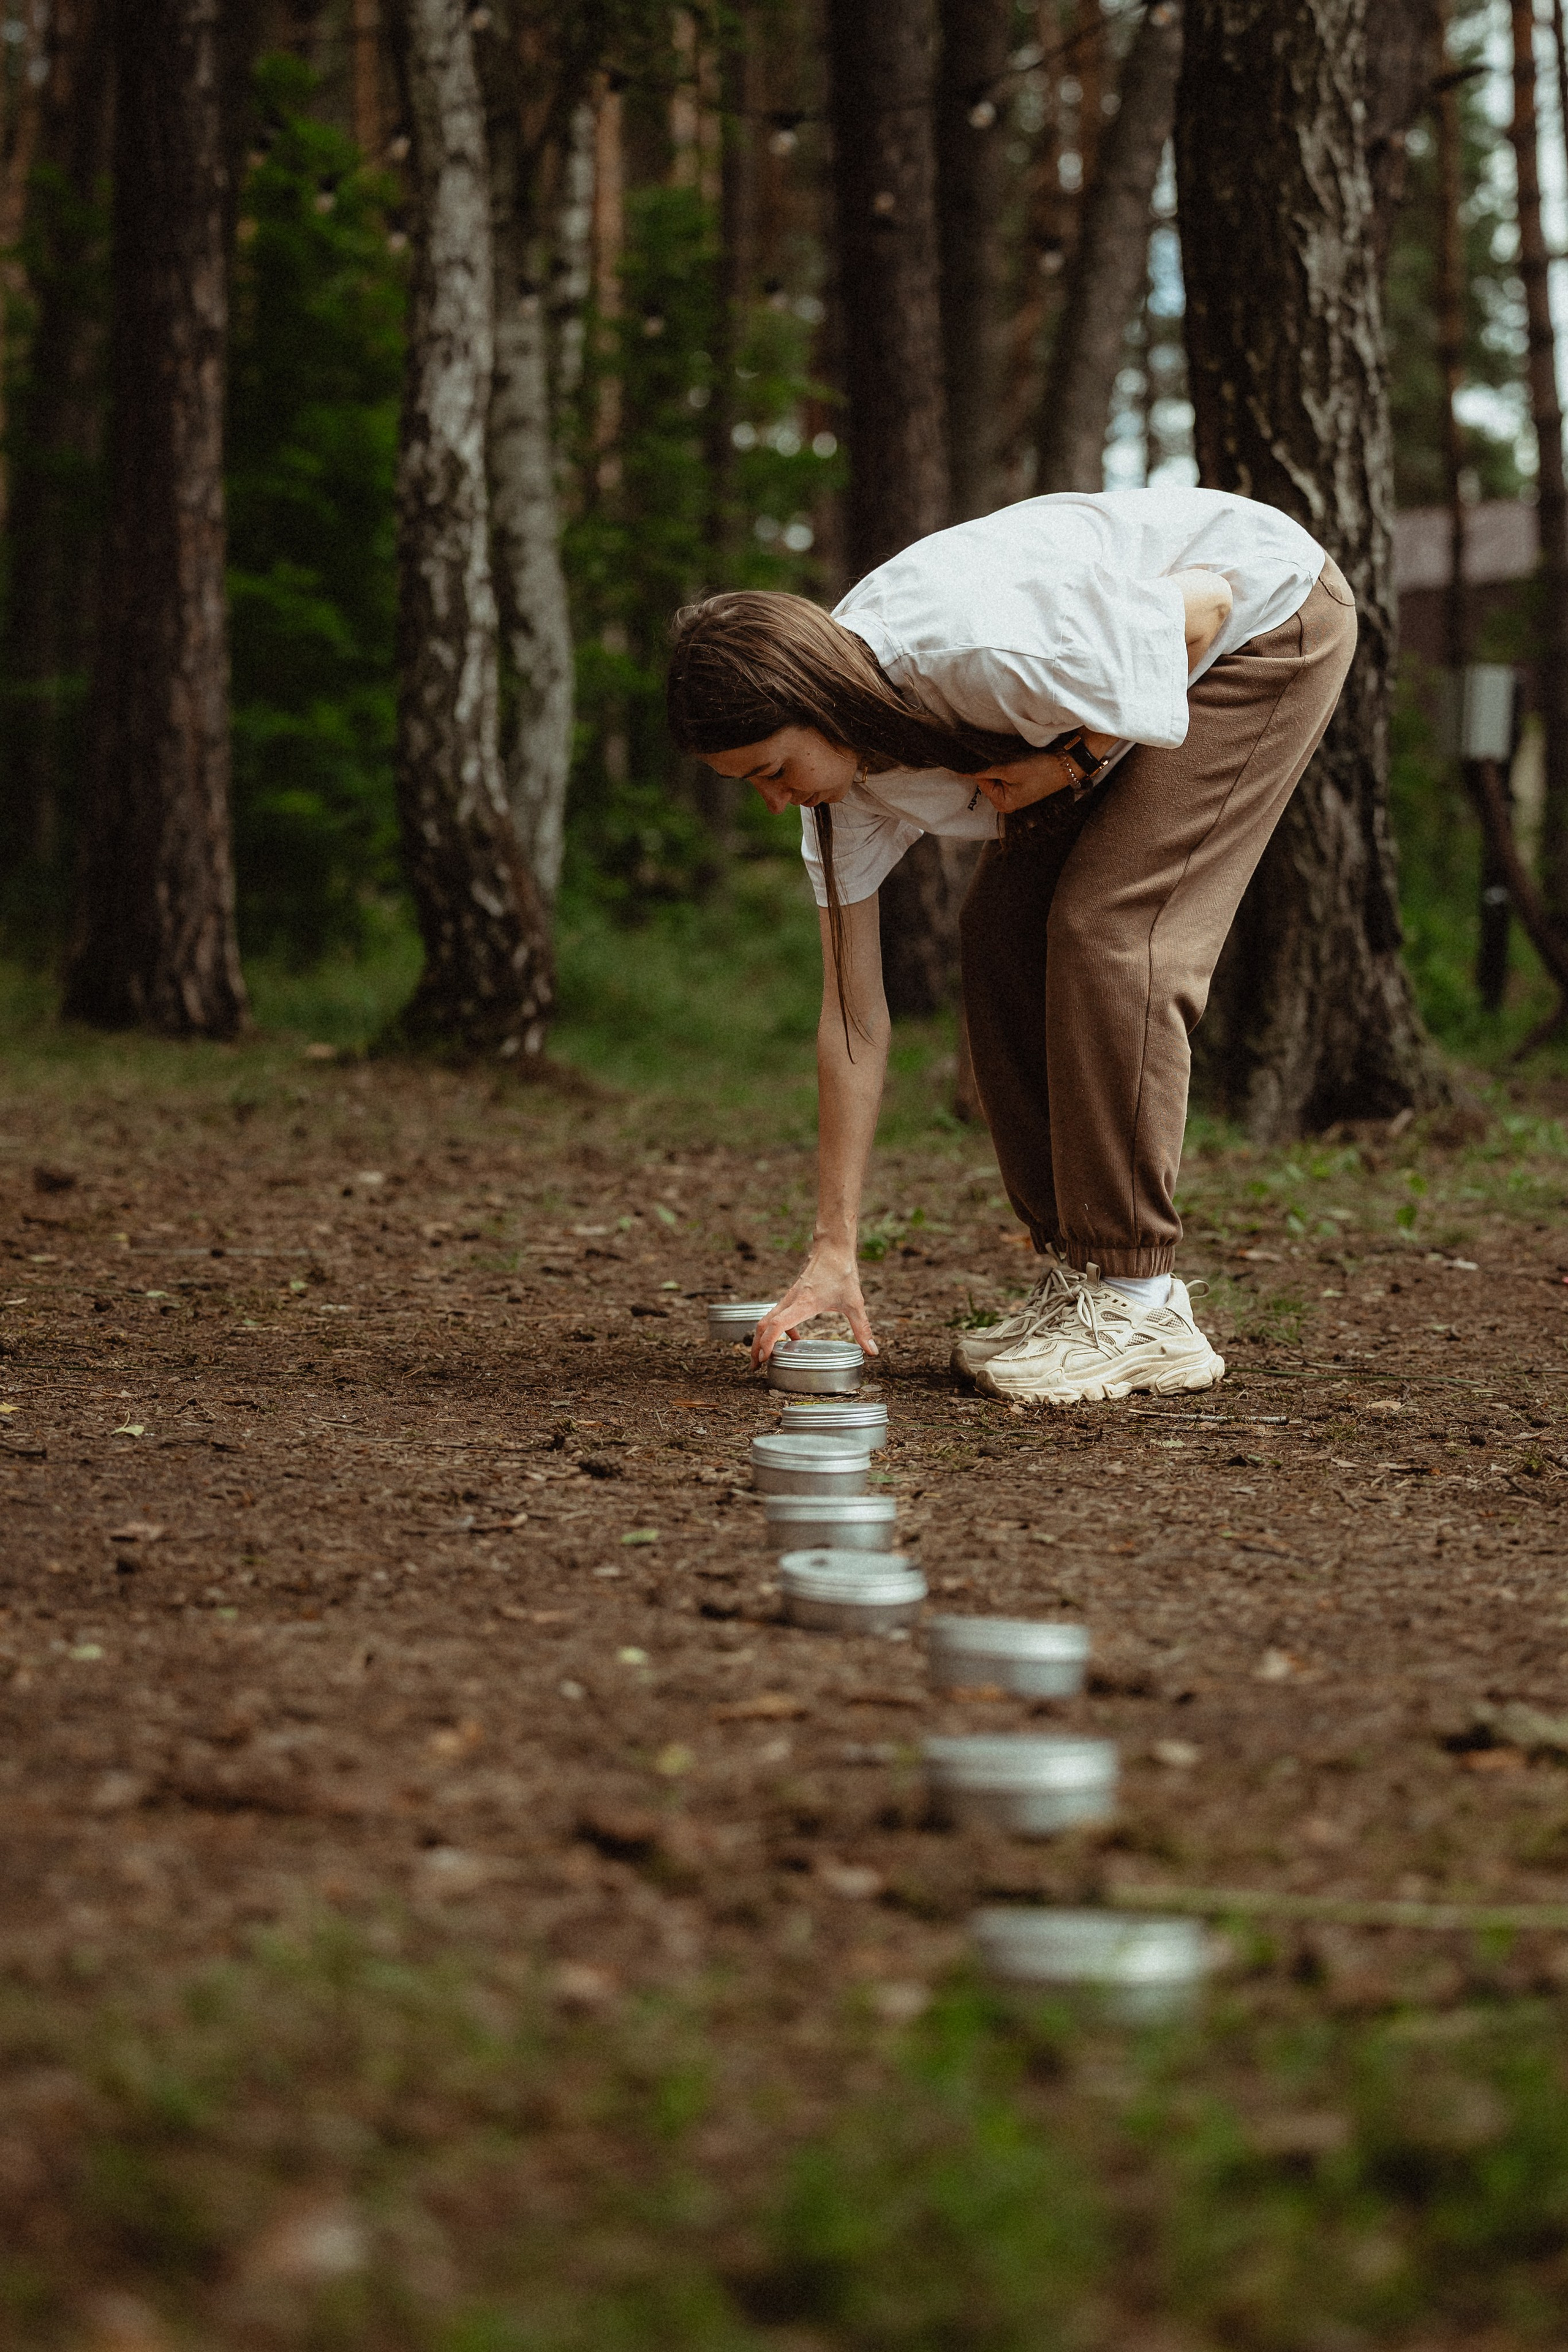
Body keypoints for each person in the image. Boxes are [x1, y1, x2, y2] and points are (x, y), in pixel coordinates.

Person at [666, 486, 1357, 1406]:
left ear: (816, 700)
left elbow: (1208, 607)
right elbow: (853, 1017)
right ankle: (1083, 1275)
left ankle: (1139, 1301)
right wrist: (834, 1251)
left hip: (1266, 626)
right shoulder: (840, 794)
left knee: (1110, 931)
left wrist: (1075, 759)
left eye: (773, 770)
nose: (772, 800)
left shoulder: (983, 653)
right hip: (1116, 685)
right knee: (997, 934)